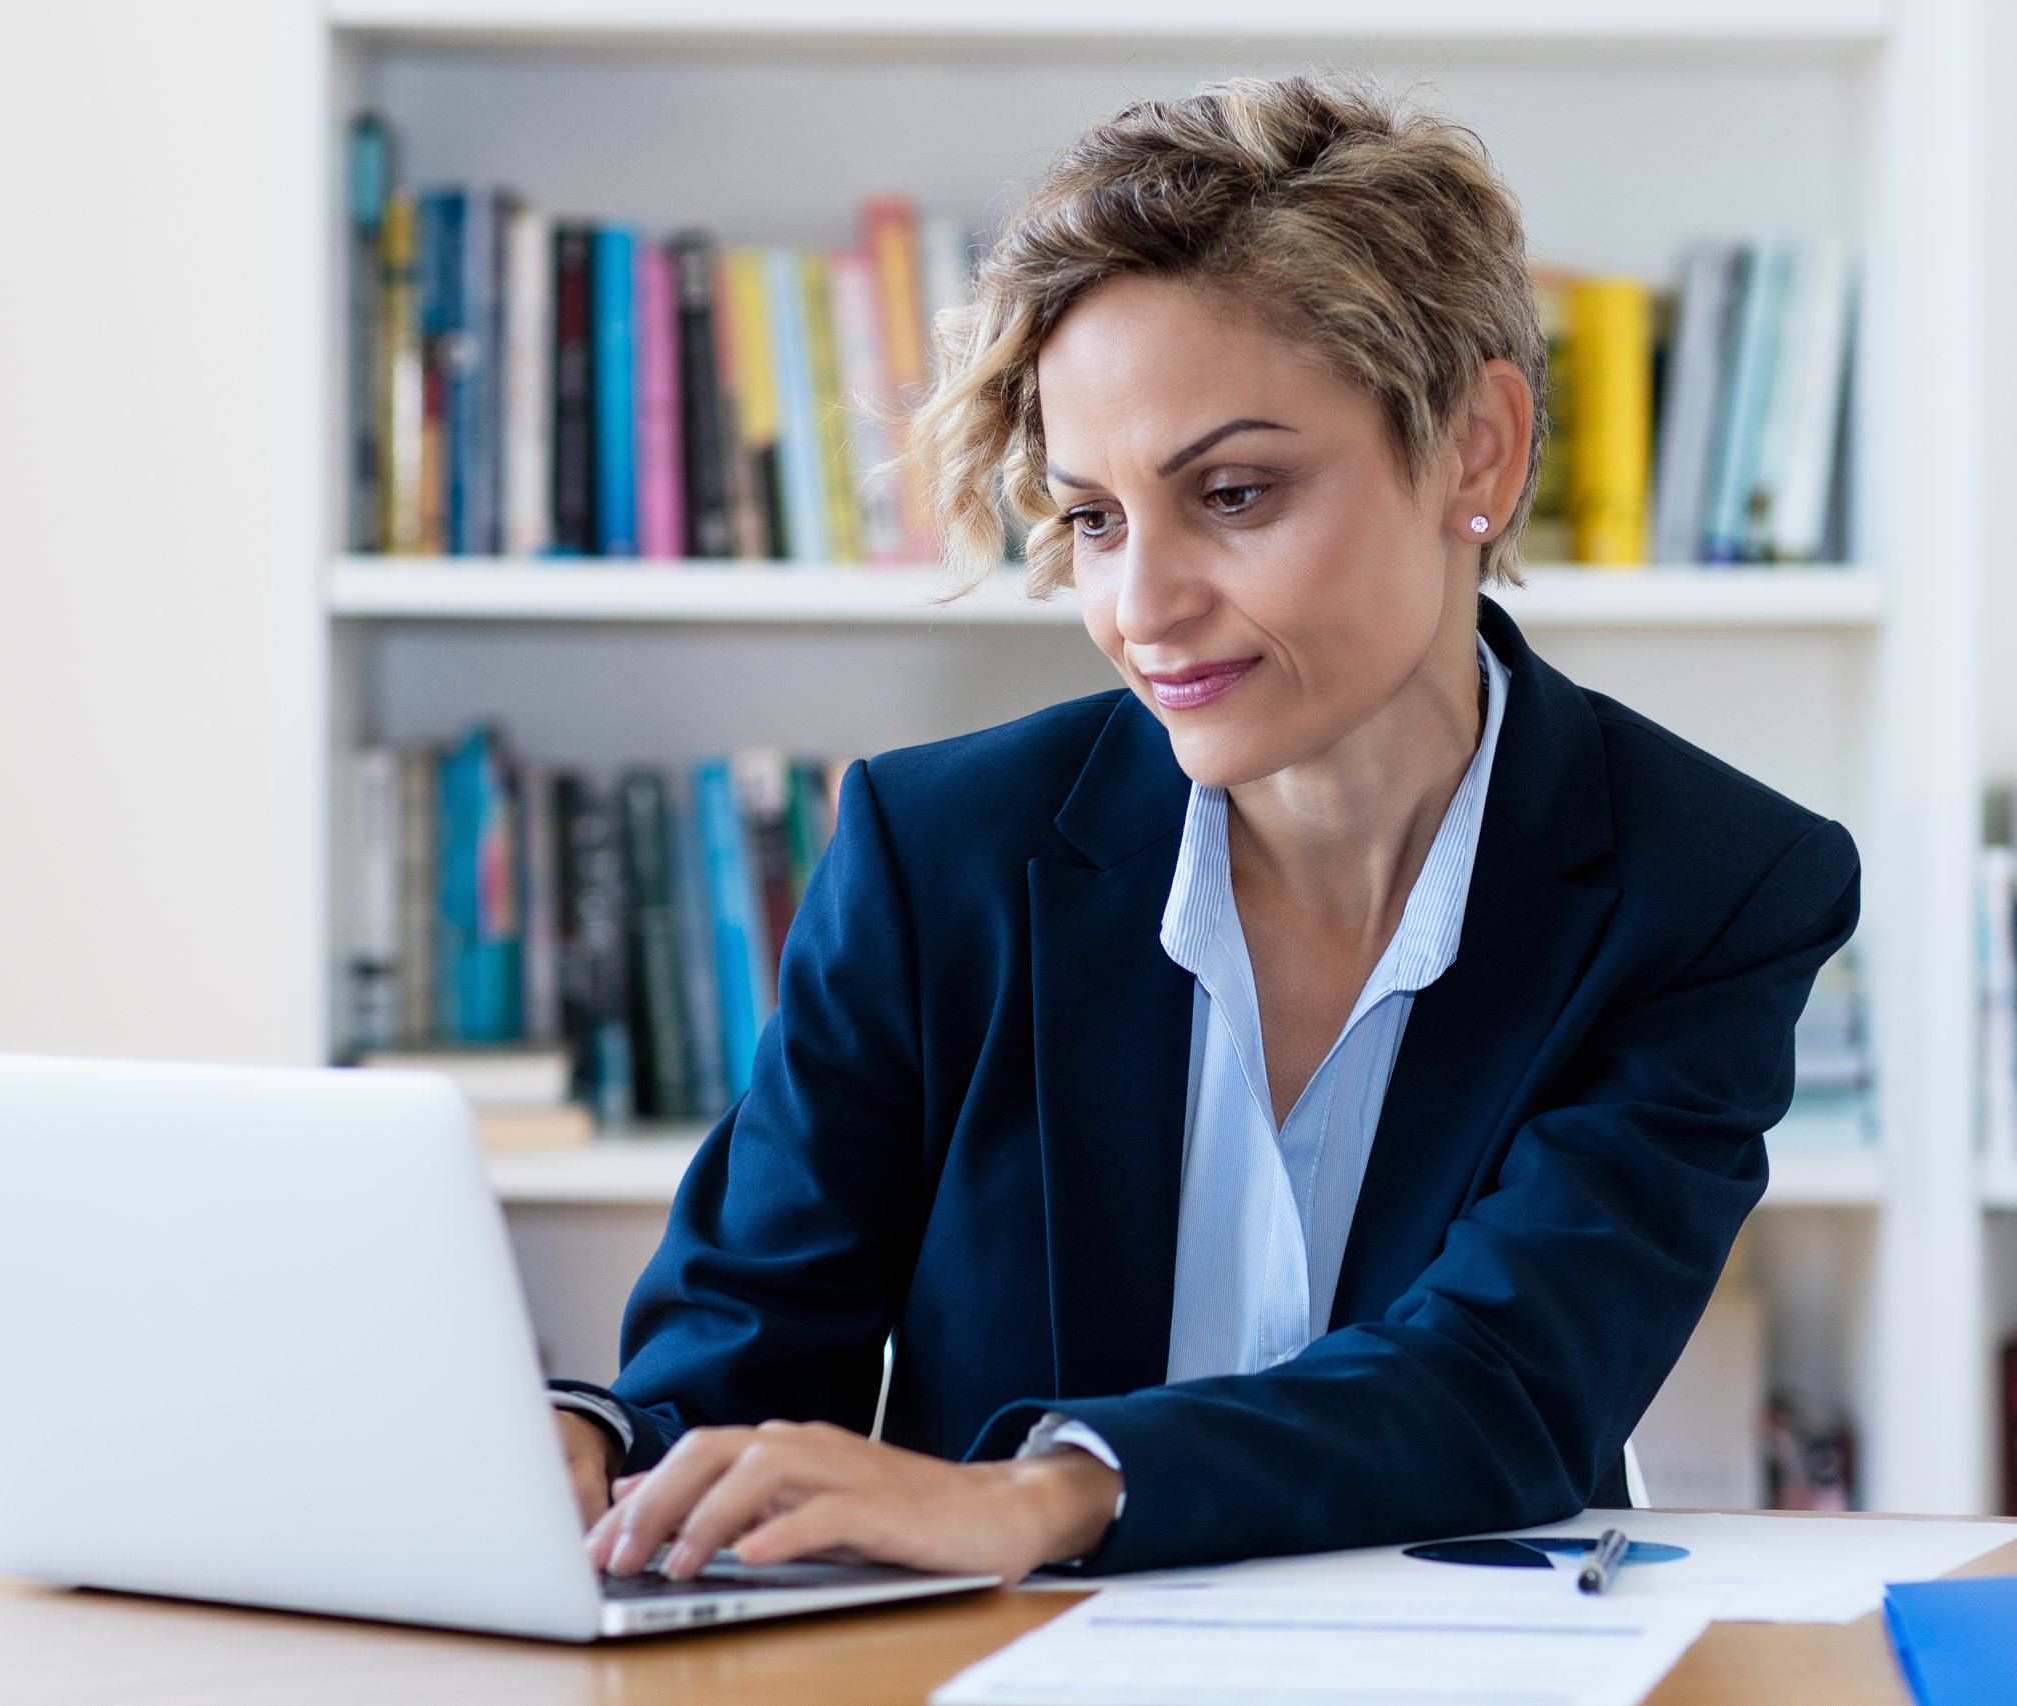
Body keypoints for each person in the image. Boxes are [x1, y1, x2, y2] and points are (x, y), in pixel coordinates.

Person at [548, 71, 1859, 1586]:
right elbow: (736, 1367)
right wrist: (601, 1443)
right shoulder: (935, 851)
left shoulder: (1714, 884)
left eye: (1233, 493)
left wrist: (1049, 1493)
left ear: (1476, 454)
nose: (1140, 609)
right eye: (1093, 518)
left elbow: (1505, 1376)